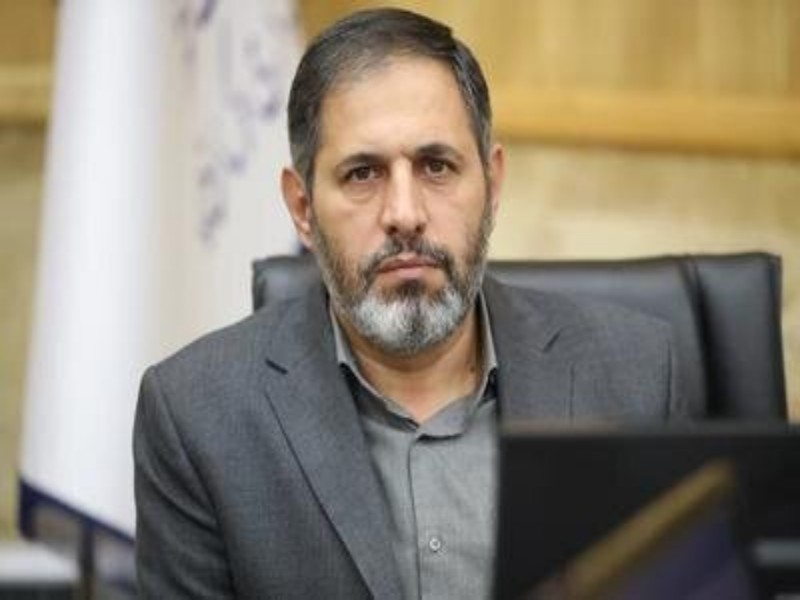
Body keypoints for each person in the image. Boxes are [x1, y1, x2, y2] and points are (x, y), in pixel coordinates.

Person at [133, 8, 686, 599]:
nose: (404, 214)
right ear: (302, 208)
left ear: (493, 184)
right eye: (362, 173)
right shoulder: (197, 417)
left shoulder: (637, 376)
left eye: (436, 166)